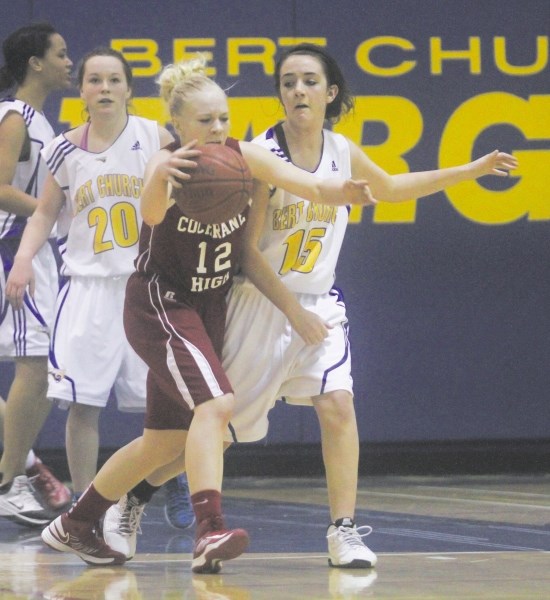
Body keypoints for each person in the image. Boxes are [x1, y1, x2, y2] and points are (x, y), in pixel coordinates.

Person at [16, 55, 375, 573]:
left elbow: (313, 186)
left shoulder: (240, 155)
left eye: (224, 118)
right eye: (205, 121)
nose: (218, 128)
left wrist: (343, 191)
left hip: (208, 305)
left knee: (165, 439)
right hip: (161, 301)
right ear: (177, 125)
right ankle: (209, 529)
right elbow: (153, 216)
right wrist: (159, 174)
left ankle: (77, 521)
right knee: (218, 404)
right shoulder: (165, 162)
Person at [221, 43, 519, 569]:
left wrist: (470, 169)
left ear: (330, 92)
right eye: (288, 82)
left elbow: (394, 188)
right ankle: (127, 497)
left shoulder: (341, 147)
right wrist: (293, 312)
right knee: (216, 431)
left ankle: (343, 530)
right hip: (263, 304)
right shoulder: (264, 154)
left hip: (320, 304)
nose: (297, 90)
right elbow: (246, 253)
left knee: (338, 407)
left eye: (309, 80)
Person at [3, 47, 196, 525]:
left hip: (147, 285)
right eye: (94, 80)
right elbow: (45, 211)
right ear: (83, 90)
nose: (104, 88)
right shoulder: (64, 147)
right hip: (87, 288)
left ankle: (168, 480)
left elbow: (186, 202)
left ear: (129, 89)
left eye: (114, 80)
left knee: (165, 403)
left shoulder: (155, 137)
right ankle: (86, 506)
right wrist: (23, 260)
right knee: (82, 402)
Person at [0, 22, 73, 526]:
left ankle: (18, 464)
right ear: (35, 63)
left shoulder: (44, 122)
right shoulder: (14, 116)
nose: (70, 63)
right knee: (38, 362)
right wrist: (57, 214)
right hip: (13, 245)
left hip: (29, 245)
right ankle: (9, 480)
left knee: (40, 364)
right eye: (62, 54)